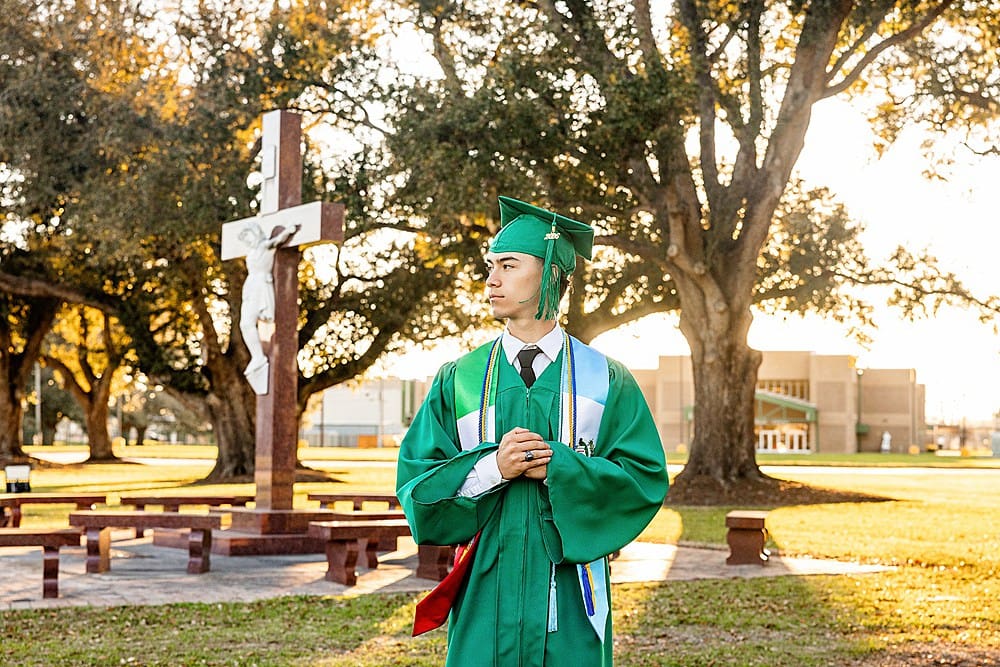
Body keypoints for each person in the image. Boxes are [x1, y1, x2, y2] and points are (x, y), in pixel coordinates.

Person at [396, 195, 668, 666]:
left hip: (569, 592)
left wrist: (560, 467)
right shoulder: (459, 379)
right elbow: (417, 483)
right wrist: (490, 469)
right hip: (485, 583)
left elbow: (643, 479)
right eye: (490, 265)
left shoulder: (605, 379)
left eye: (508, 265)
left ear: (549, 274)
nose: (491, 279)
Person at [238, 220, 299, 381]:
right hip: (251, 286)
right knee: (245, 324)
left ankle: (258, 357)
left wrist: (289, 230)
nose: (247, 240)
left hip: (261, 286)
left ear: (255, 233)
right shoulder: (251, 252)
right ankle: (257, 356)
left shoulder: (265, 246)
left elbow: (278, 240)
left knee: (247, 322)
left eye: (248, 236)